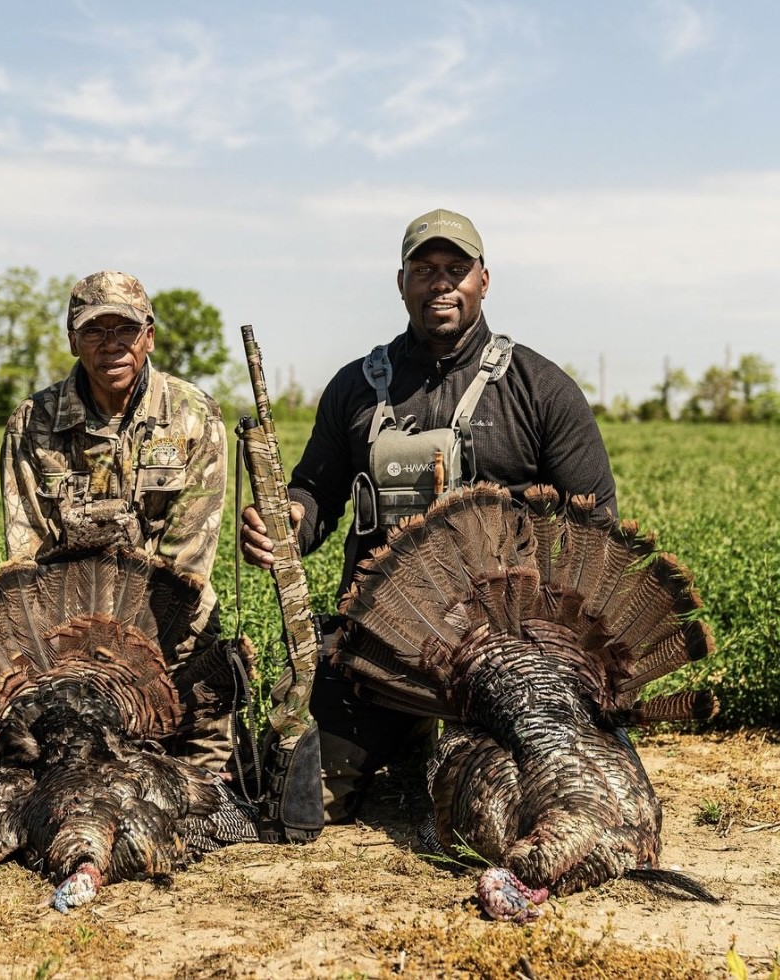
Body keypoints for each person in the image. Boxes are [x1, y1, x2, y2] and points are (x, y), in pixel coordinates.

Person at [240, 208, 618, 822]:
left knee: (539, 805)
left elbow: (593, 525)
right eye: (425, 270)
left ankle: (445, 733)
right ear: (401, 282)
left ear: (484, 280)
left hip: (504, 653)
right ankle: (404, 727)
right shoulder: (356, 388)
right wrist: (284, 521)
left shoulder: (540, 387)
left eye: (456, 269)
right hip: (379, 649)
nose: (441, 284)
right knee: (296, 806)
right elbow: (315, 493)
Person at [1, 270, 239, 775]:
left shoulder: (194, 416)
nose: (111, 345)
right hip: (67, 639)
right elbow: (28, 555)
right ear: (72, 340)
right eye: (94, 331)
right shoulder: (31, 422)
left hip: (170, 630)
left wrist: (126, 671)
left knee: (207, 791)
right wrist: (77, 661)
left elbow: (186, 563)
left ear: (148, 337)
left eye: (125, 330)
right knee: (23, 781)